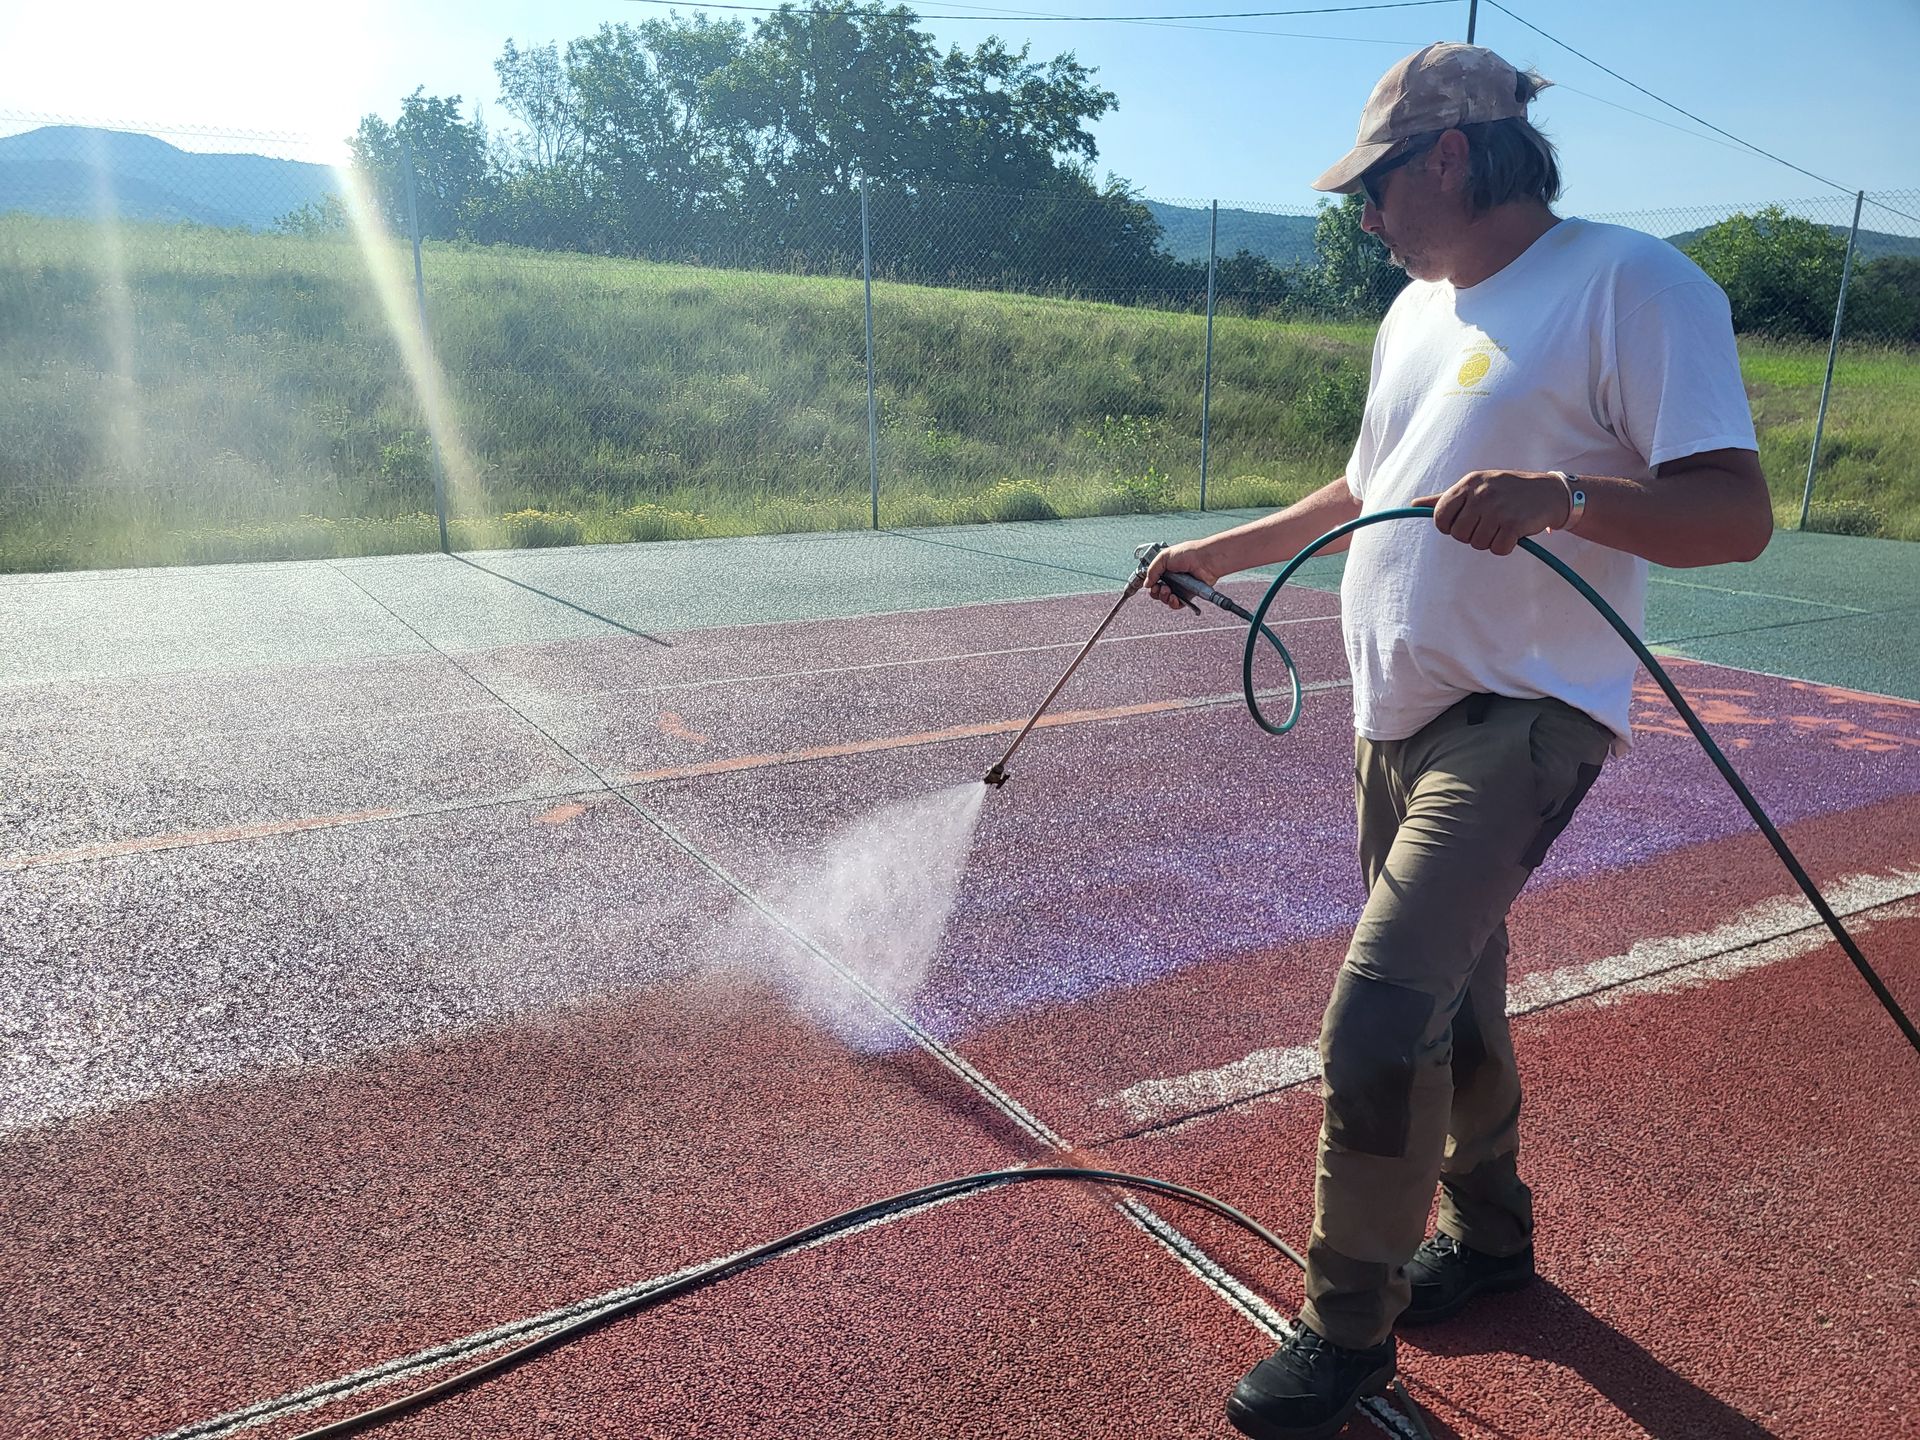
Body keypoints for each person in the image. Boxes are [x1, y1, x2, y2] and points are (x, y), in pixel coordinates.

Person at [1145, 41, 1772, 1440]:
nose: (1358, 214)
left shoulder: (1634, 283)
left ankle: (1344, 1336)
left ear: (1447, 156)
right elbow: (1367, 486)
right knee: (1456, 1000)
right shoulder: (1416, 311)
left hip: (1528, 713)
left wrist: (1563, 495)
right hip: (1399, 711)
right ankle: (1491, 1242)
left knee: (1378, 1019)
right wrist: (1215, 554)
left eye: (1373, 183)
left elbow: (1732, 513)